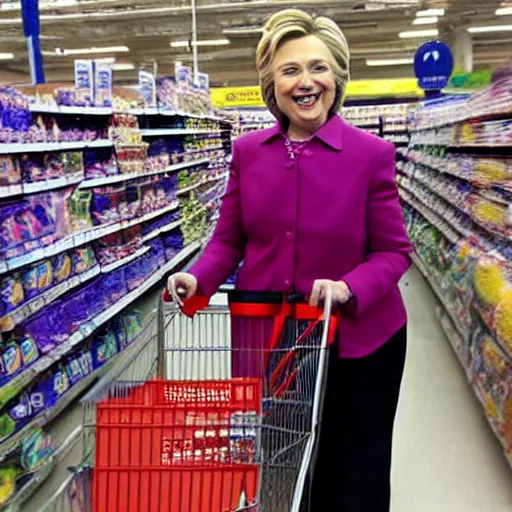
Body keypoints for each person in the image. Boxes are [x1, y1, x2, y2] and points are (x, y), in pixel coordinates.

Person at [168, 8, 413, 511]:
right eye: (291, 70)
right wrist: (198, 279)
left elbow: (394, 252)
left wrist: (348, 286)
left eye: (319, 68)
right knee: (281, 456)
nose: (307, 82)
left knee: (353, 465)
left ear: (337, 76)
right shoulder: (248, 152)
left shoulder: (371, 154)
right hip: (273, 337)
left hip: (359, 340)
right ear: (271, 83)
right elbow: (228, 240)